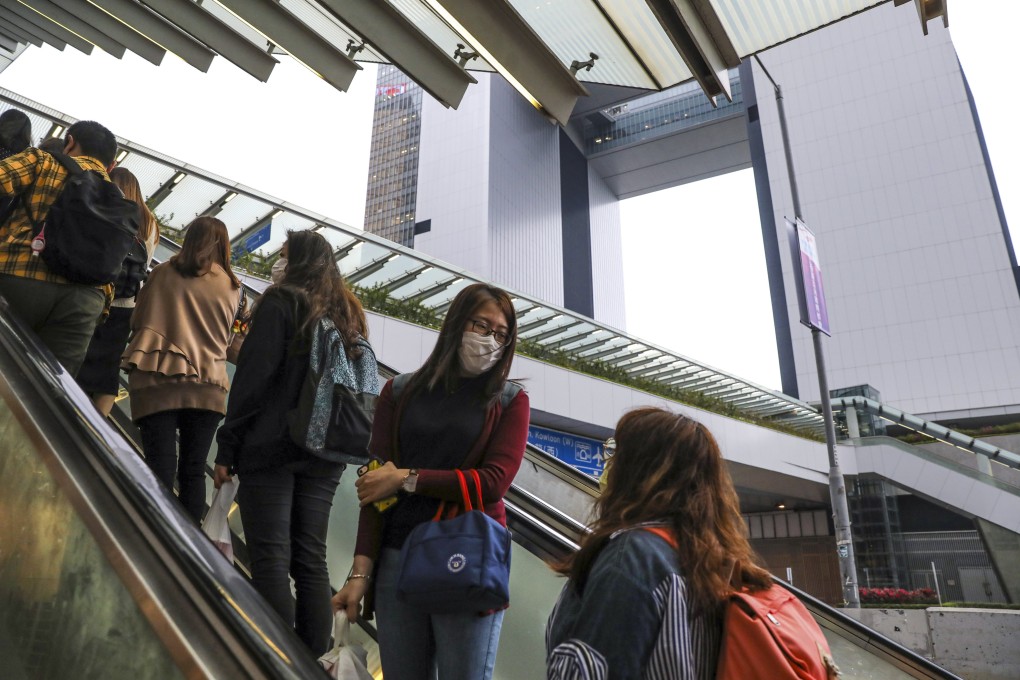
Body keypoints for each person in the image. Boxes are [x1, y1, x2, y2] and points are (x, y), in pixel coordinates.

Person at [332, 283, 530, 680]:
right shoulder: (401, 391)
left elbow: (493, 482)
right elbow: (374, 487)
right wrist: (359, 573)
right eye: (482, 325)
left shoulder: (509, 401)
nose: (490, 339)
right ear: (458, 323)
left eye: (501, 334)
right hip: (396, 560)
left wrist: (406, 479)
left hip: (467, 558)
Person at [213, 230, 373, 655]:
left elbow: (251, 381)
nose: (276, 262)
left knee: (270, 555)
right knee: (310, 559)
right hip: (325, 453)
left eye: (282, 255)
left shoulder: (281, 303)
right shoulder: (348, 314)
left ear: (297, 260)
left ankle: (275, 659)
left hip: (272, 447)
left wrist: (228, 446)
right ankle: (308, 661)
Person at [545, 407, 773, 679]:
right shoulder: (712, 559)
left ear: (637, 470)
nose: (608, 464)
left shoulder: (633, 557)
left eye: (616, 452)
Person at [121, 216, 243, 523]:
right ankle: (188, 548)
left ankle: (155, 534)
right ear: (224, 246)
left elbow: (138, 320)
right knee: (192, 470)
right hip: (208, 385)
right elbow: (230, 338)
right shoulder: (233, 287)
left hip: (157, 378)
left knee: (159, 467)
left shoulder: (162, 274)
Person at [0, 120, 119, 377]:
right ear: (112, 165)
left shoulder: (43, 161)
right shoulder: (118, 199)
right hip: (86, 302)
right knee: (49, 395)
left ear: (71, 141)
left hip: (21, 275)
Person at [77, 167, 160, 416]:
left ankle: (68, 413)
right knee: (108, 367)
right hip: (127, 305)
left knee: (79, 357)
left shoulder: (108, 210)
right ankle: (98, 427)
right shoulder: (150, 224)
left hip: (97, 294)